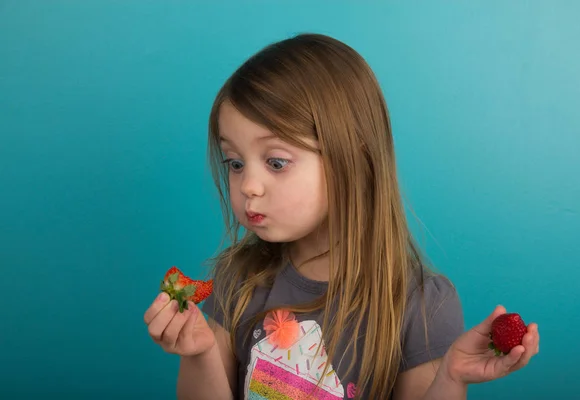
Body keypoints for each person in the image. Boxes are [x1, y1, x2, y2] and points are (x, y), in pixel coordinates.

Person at [143, 33, 540, 400]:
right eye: (234, 163)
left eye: (276, 162)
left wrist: (450, 378)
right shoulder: (238, 281)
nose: (249, 185)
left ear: (353, 158)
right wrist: (199, 353)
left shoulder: (421, 306)